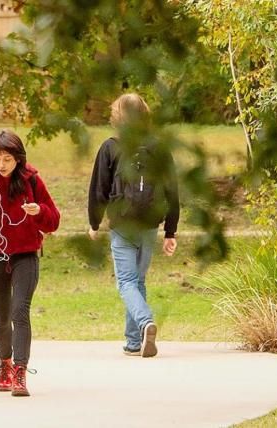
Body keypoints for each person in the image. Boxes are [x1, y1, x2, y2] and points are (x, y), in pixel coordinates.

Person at [0, 129, 60, 397]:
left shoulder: (33, 182)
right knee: (3, 317)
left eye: (7, 158)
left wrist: (39, 211)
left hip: (25, 255)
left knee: (20, 312)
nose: (2, 165)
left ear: (18, 158)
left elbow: (53, 221)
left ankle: (20, 371)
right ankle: (4, 364)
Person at [87, 93, 179, 358]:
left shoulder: (111, 146)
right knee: (137, 280)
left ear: (117, 116)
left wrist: (94, 223)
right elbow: (172, 192)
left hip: (122, 224)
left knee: (126, 281)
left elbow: (99, 188)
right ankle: (133, 342)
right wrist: (170, 231)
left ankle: (146, 322)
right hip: (149, 224)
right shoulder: (159, 148)